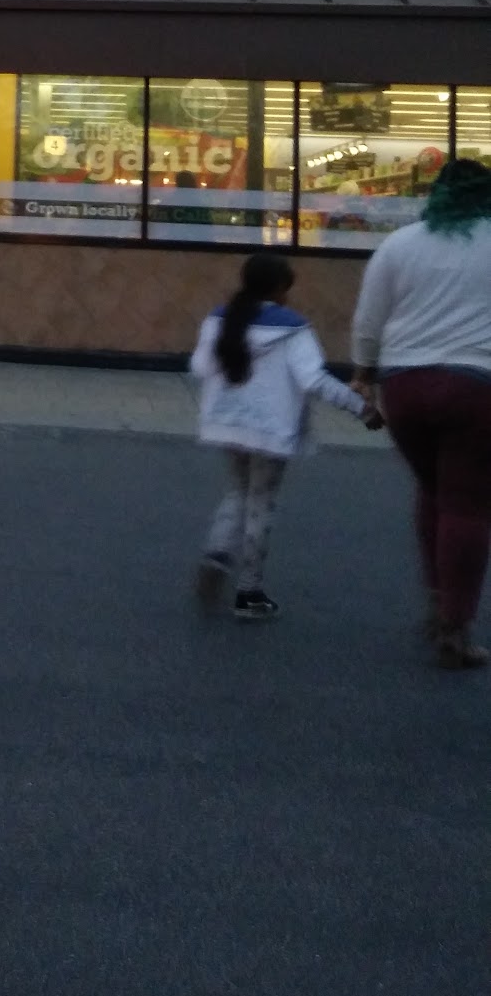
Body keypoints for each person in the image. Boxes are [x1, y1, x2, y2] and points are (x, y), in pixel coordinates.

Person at [351, 157, 491, 670]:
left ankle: (437, 598)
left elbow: (369, 318)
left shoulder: (400, 243)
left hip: (405, 385)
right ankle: (456, 627)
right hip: (477, 385)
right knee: (467, 503)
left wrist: (363, 373)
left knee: (433, 490)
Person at [192, 251, 370, 620]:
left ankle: (217, 553)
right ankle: (249, 591)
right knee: (261, 502)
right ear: (277, 288)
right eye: (286, 288)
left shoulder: (219, 319)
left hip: (228, 423)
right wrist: (361, 408)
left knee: (238, 490)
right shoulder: (293, 328)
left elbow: (199, 366)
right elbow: (314, 380)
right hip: (271, 430)